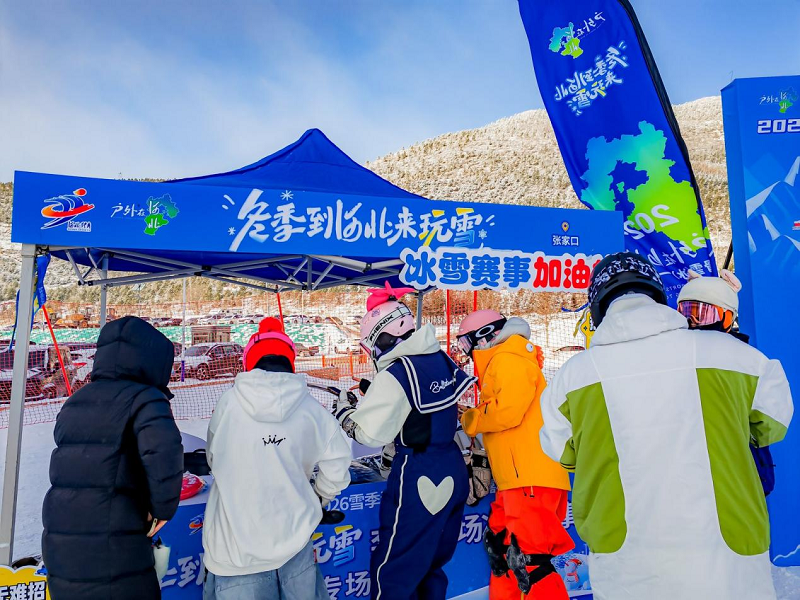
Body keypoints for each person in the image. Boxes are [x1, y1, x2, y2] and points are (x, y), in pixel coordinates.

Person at [538, 252, 793, 600]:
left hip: (625, 564)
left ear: (597, 306)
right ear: (657, 294)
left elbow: (563, 453)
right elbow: (772, 424)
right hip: (729, 557)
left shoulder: (571, 379)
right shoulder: (737, 357)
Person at [334, 282, 474, 599]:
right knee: (432, 564)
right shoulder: (437, 357)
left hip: (419, 470)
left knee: (396, 567)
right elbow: (423, 406)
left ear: (383, 337)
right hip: (452, 464)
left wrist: (344, 413)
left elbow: (370, 433)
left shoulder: (396, 372)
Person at [202, 317, 351, 600]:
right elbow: (338, 465)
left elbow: (213, 459)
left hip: (237, 552)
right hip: (295, 542)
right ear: (289, 360)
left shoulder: (229, 404)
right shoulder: (311, 409)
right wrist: (319, 497)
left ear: (249, 360)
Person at [42, 316, 184, 599]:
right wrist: (162, 510)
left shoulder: (75, 401)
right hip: (115, 545)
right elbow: (163, 455)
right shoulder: (146, 398)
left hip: (61, 544)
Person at [457, 310, 573, 599]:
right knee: (503, 550)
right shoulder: (504, 359)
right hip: (516, 478)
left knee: (529, 559)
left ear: (484, 337)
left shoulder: (509, 358)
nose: (465, 351)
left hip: (530, 477)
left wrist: (472, 419)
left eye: (465, 343)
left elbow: (508, 410)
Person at [677, 269, 776, 495]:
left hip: (728, 468)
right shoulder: (751, 361)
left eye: (702, 313)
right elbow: (770, 425)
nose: (692, 321)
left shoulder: (749, 361)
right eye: (686, 312)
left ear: (728, 318)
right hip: (721, 472)